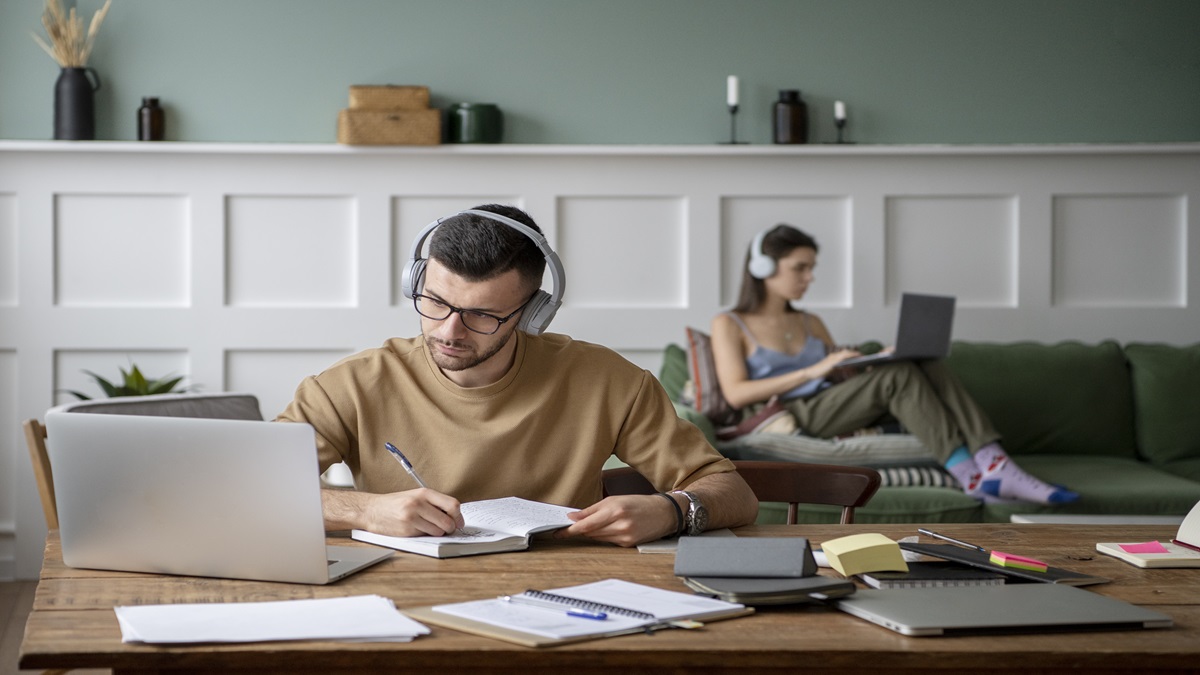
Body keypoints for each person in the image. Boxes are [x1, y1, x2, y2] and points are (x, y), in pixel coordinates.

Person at [277, 204, 758, 546]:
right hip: (404, 587)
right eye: (436, 302)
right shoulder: (351, 384)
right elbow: (251, 489)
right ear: (416, 282)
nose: (449, 330)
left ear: (532, 314)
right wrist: (365, 509)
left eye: (482, 315)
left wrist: (672, 511)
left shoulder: (610, 381)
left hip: (564, 591)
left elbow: (732, 492)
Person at [710, 224, 1078, 505]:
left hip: (834, 402)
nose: (809, 277)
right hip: (791, 412)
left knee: (920, 360)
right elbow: (736, 393)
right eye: (800, 268)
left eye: (811, 268)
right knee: (898, 376)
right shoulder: (729, 323)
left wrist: (876, 363)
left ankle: (992, 462)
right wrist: (812, 371)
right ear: (763, 267)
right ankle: (973, 476)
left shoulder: (810, 322)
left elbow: (840, 379)